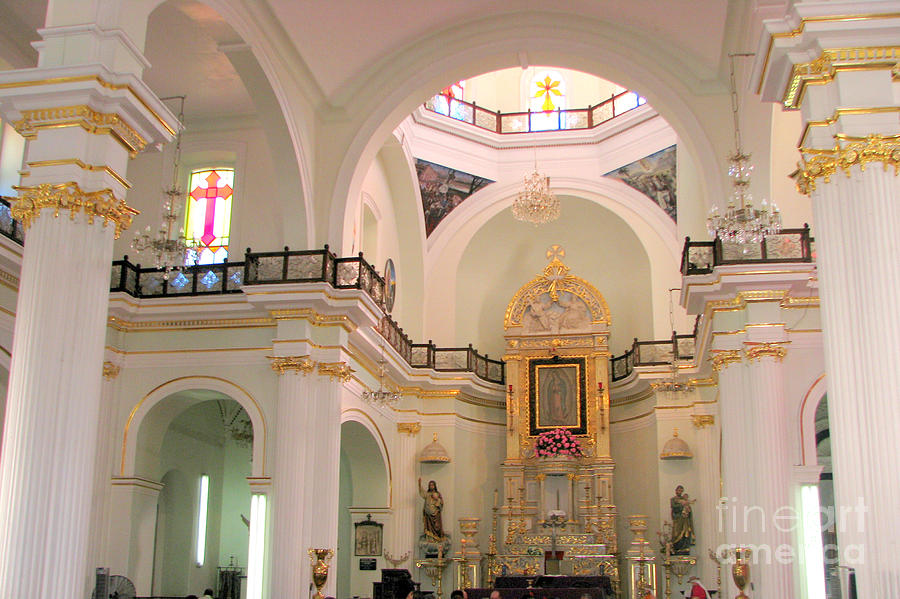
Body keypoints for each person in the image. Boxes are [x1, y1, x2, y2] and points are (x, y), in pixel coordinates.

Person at [670, 485, 695, 554]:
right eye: (678, 490)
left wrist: (687, 507)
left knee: (685, 533)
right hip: (677, 519)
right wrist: (682, 504)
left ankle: (684, 548)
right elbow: (674, 507)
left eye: (681, 491)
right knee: (676, 533)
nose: (680, 492)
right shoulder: (673, 499)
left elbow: (688, 508)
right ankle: (676, 548)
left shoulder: (684, 499)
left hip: (684, 519)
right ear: (676, 491)